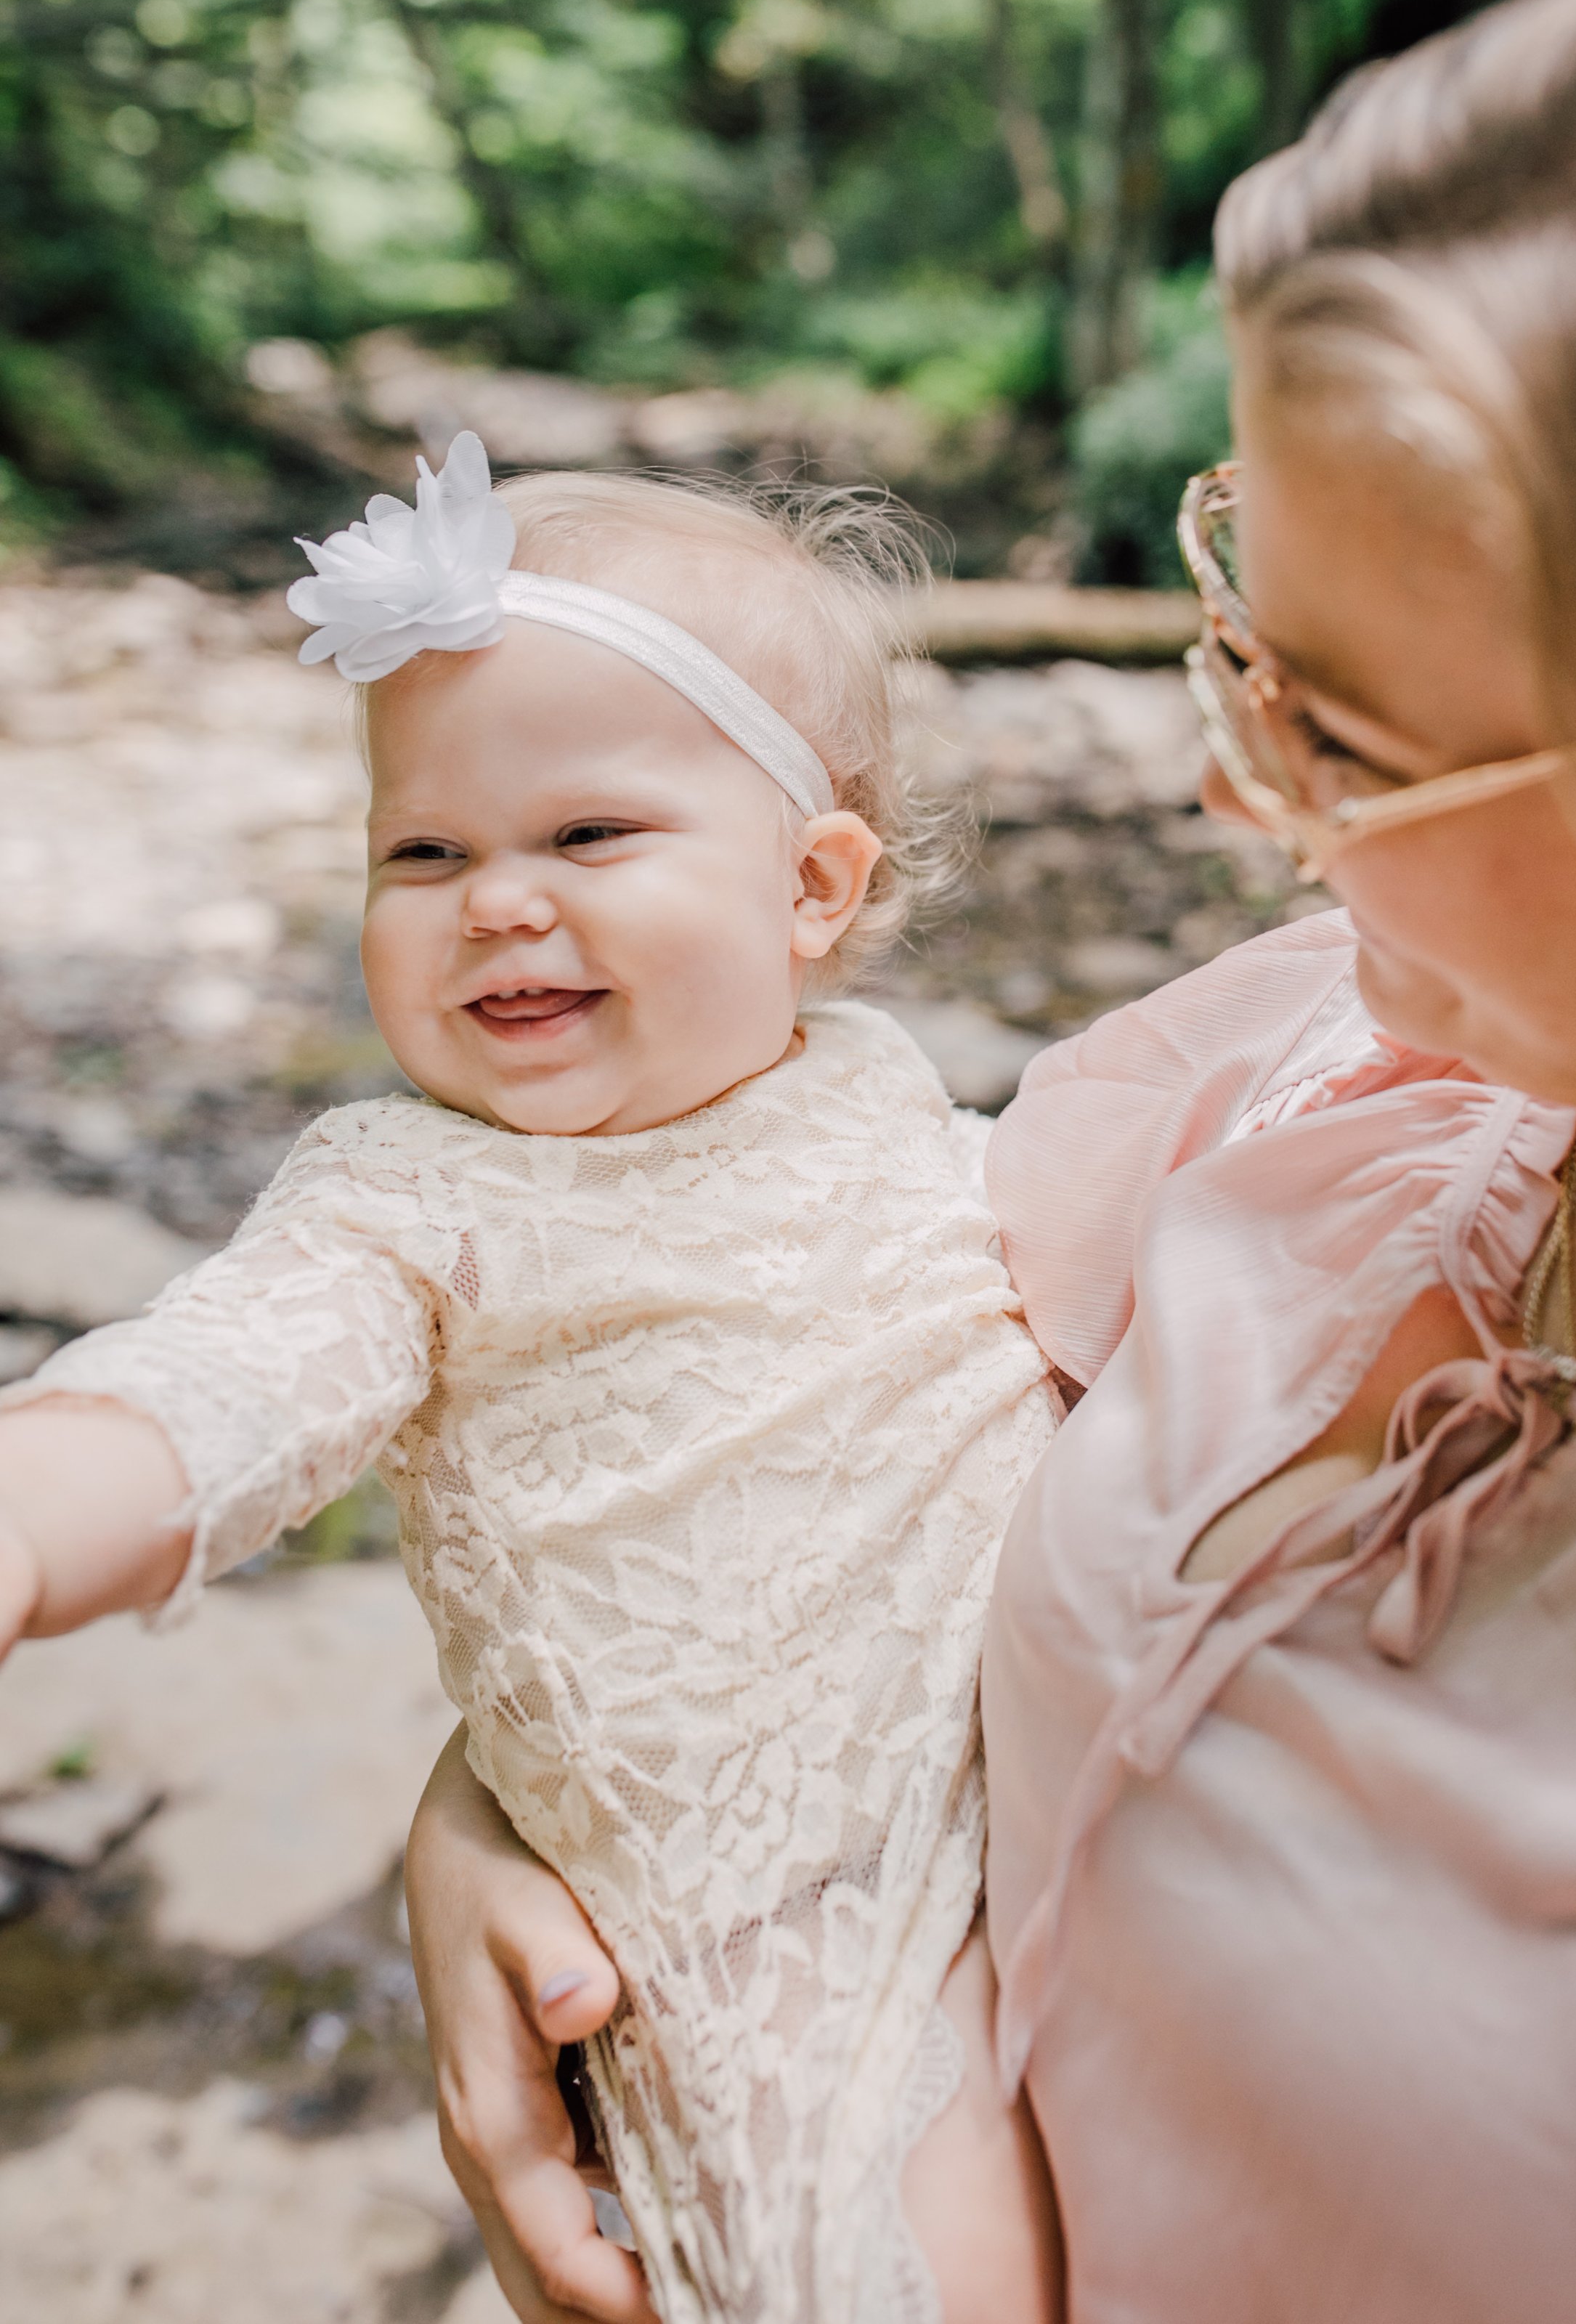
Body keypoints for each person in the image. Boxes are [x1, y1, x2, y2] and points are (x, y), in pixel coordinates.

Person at [402, 0, 1576, 2324]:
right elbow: (851, 1444)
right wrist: (519, 1801)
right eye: (1231, 607)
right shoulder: (1313, 1068)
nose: (1214, 779)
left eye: (1334, 730)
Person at [0, 447, 1063, 2324]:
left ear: (811, 888)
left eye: (585, 840)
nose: (494, 902)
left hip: (1042, 1859)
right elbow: (223, 1386)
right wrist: (31, 1519)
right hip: (743, 1969)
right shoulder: (410, 1204)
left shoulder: (915, 1116)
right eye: (424, 853)